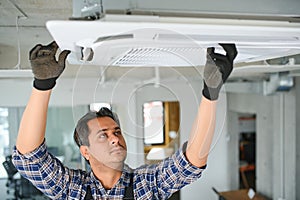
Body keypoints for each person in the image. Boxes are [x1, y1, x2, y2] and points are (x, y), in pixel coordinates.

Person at [12, 41, 237, 199]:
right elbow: (29, 158)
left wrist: (211, 92)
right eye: (103, 135)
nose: (114, 139)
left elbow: (192, 161)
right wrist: (42, 85)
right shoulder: (72, 190)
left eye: (116, 132)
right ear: (85, 151)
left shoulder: (146, 186)